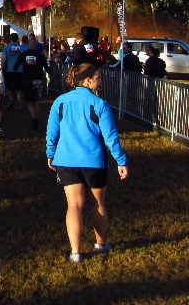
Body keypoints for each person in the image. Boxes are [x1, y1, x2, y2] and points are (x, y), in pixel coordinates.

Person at [46, 62, 129, 263]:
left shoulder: (60, 101)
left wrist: (50, 153)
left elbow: (52, 131)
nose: (100, 82)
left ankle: (75, 252)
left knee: (74, 205)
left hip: (66, 160)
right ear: (88, 80)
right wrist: (121, 160)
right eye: (98, 78)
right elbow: (111, 137)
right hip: (94, 161)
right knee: (97, 203)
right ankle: (101, 243)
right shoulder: (100, 104)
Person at [14, 38, 52, 131]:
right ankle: (37, 117)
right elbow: (46, 67)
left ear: (28, 46)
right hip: (37, 80)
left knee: (28, 100)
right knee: (36, 100)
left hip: (27, 80)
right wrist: (50, 72)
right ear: (36, 46)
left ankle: (33, 116)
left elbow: (15, 67)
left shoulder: (23, 55)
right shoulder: (40, 55)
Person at [2, 33, 24, 110]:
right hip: (19, 70)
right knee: (19, 89)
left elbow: (3, 58)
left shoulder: (6, 47)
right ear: (17, 39)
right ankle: (20, 106)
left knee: (7, 87)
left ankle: (11, 98)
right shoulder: (21, 48)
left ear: (10, 39)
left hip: (9, 70)